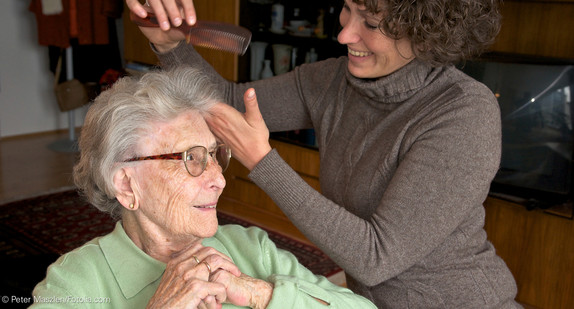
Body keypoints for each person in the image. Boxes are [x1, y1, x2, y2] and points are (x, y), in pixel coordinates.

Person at [127, 0, 522, 307]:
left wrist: (263, 162)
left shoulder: (464, 113)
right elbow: (230, 103)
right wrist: (168, 43)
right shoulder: (333, 80)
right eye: (347, 10)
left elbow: (375, 256)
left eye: (370, 23)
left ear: (425, 33)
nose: (345, 34)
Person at [31, 67, 377, 309]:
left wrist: (260, 293)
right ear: (126, 184)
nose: (220, 178)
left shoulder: (250, 250)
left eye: (214, 155)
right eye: (191, 158)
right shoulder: (76, 283)